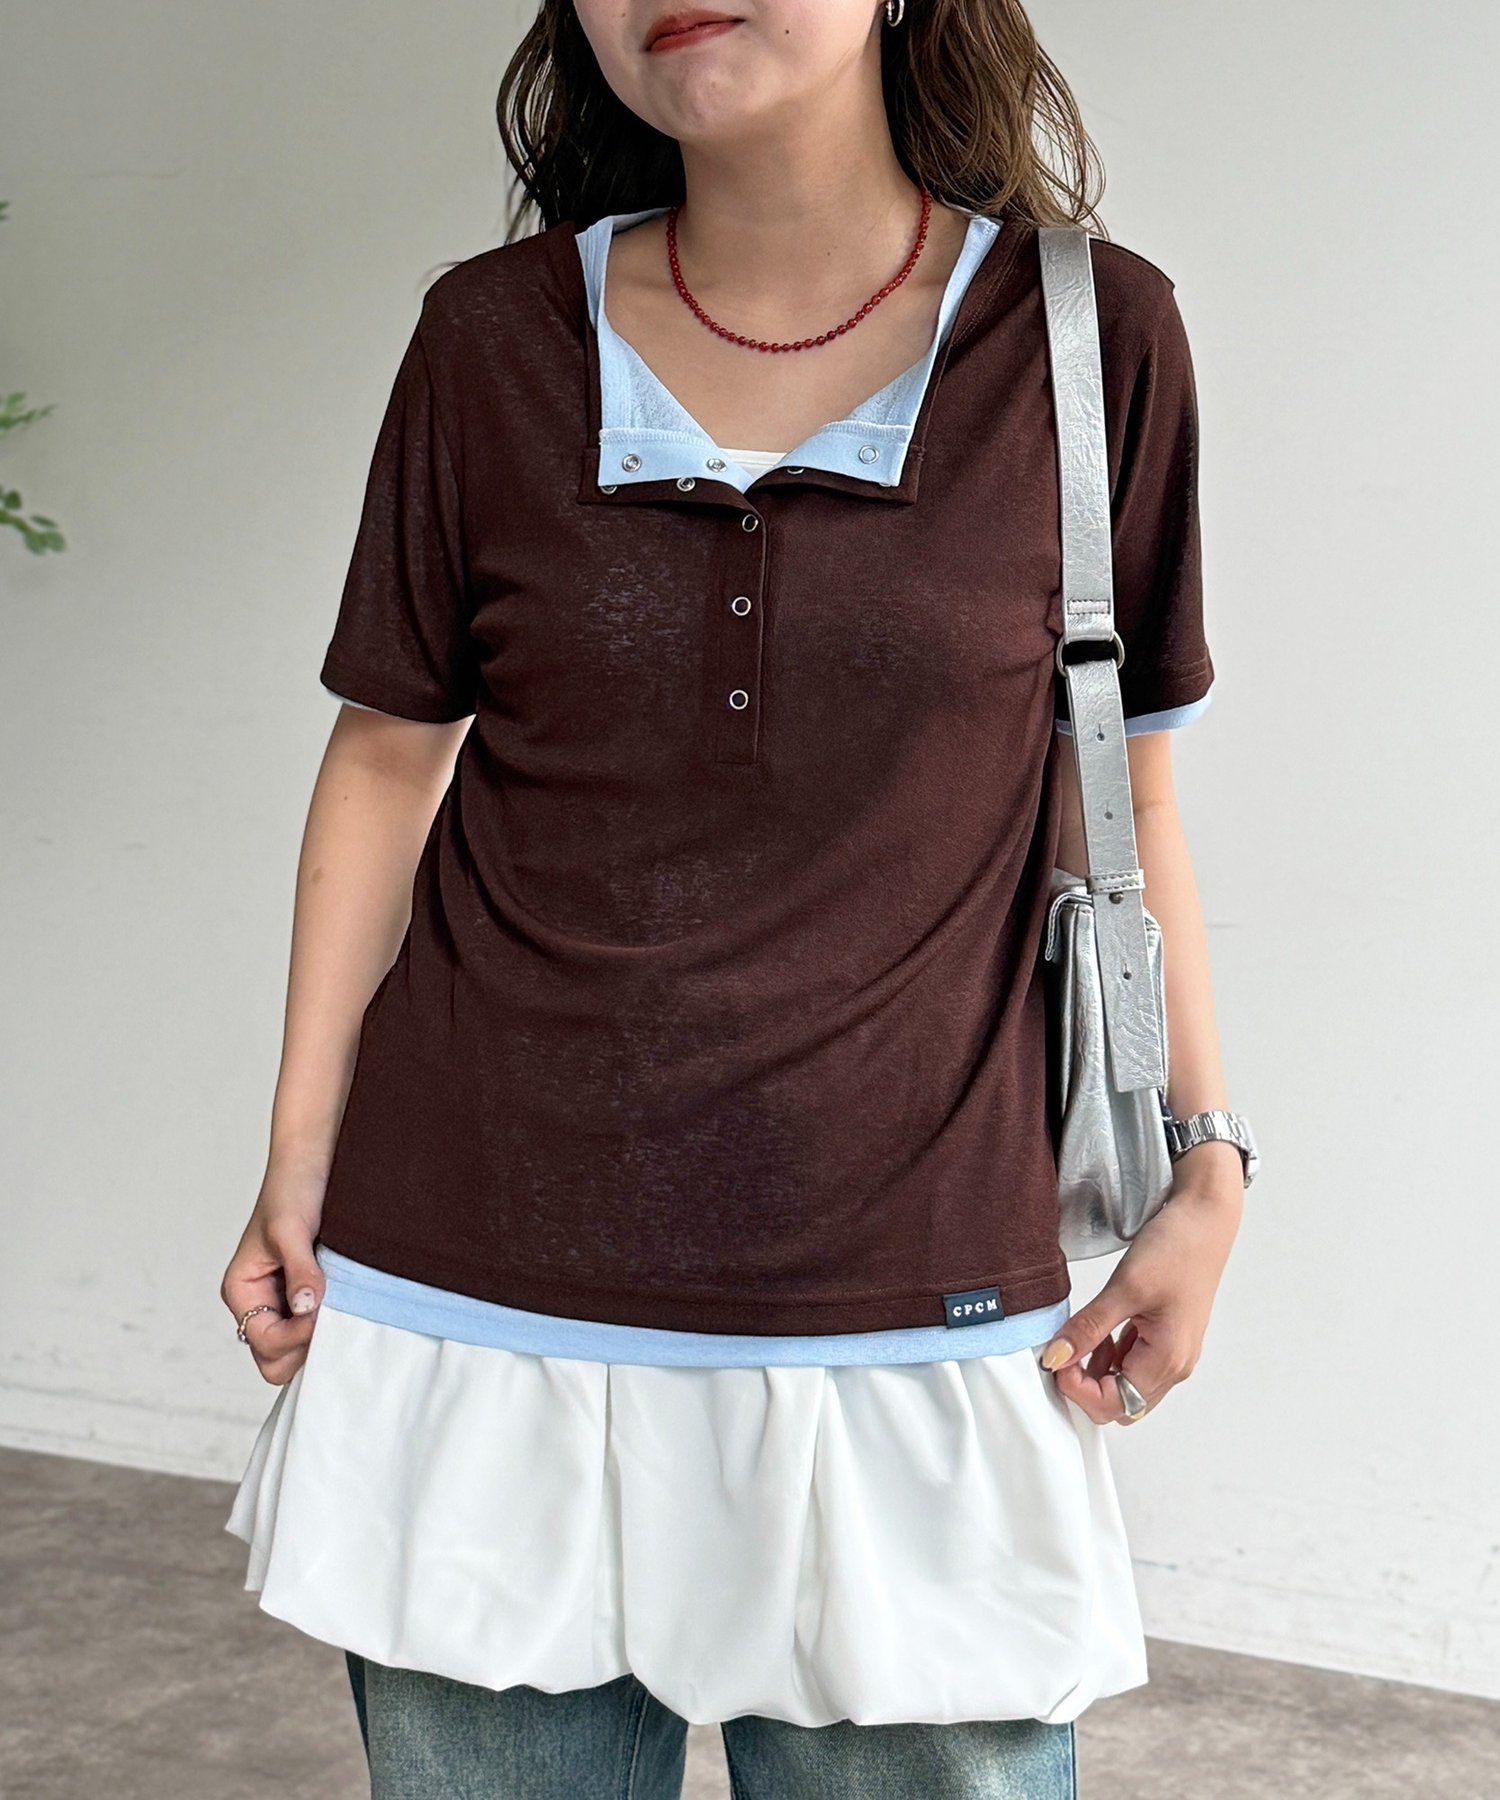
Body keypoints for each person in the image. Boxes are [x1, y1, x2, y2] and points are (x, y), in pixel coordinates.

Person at [221, 0, 1252, 1793]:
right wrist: (297, 1157)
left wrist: (1206, 1164)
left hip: (916, 1303)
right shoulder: (490, 336)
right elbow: (386, 756)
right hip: (472, 1308)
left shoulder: (1092, 340)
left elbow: (1128, 786)